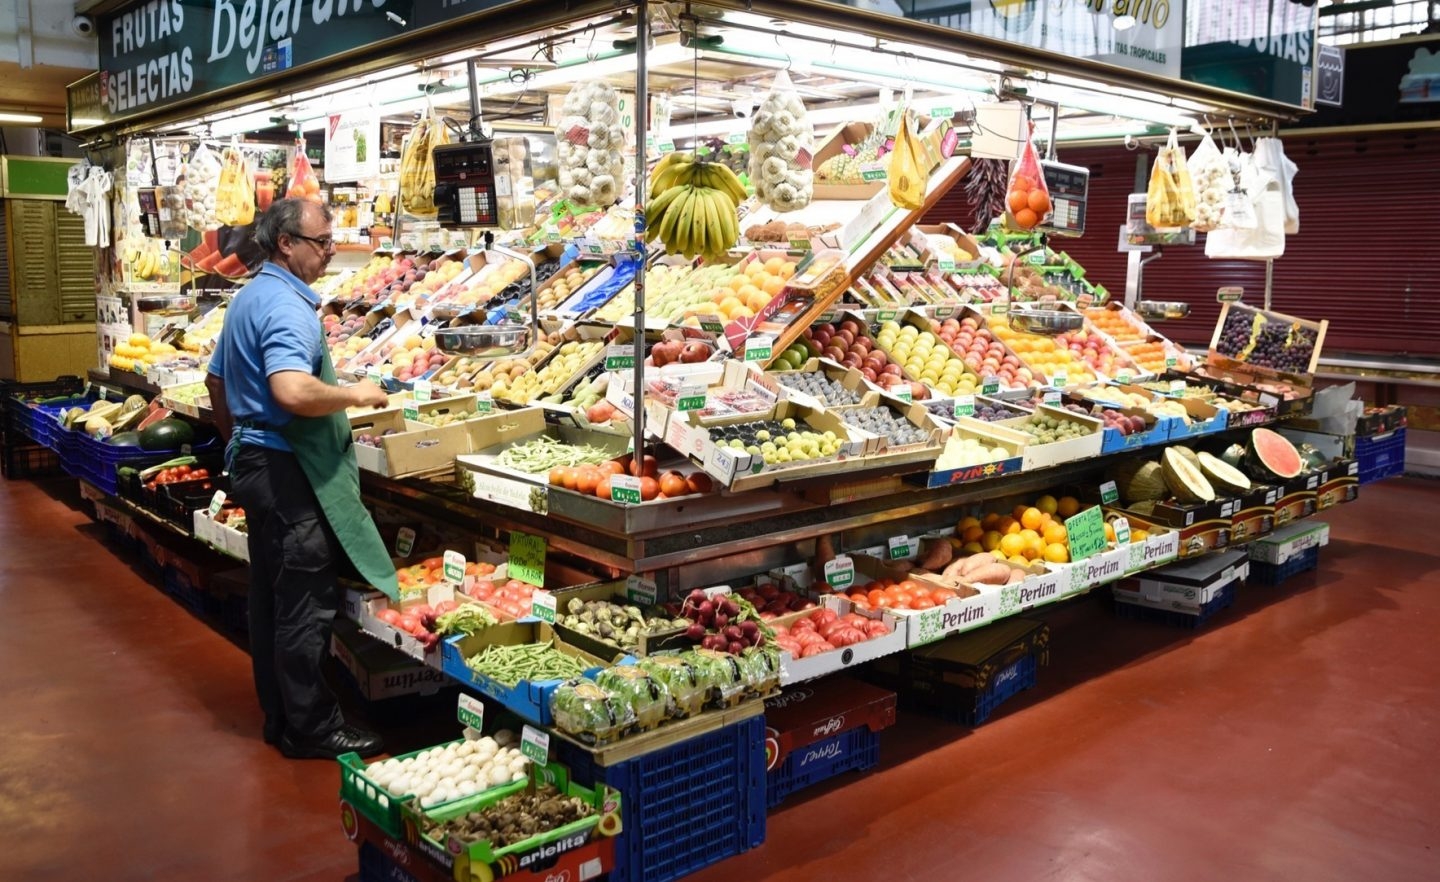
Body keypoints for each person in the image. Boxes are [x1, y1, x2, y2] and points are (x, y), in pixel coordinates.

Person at [206, 198, 398, 759]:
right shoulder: (288, 308)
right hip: (287, 467)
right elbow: (291, 391)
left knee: (270, 595)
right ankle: (311, 728)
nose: (331, 250)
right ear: (286, 243)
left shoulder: (249, 297)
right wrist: (356, 394)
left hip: (257, 462)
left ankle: (280, 715)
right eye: (322, 241)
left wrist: (237, 442)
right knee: (303, 602)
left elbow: (216, 381)